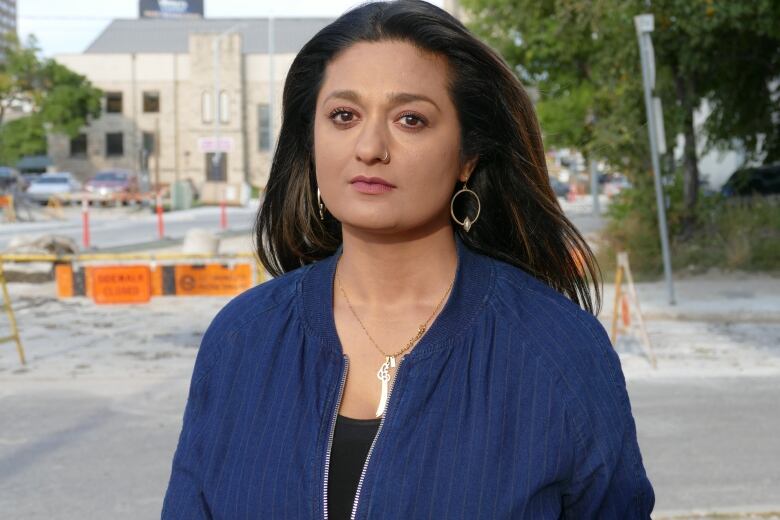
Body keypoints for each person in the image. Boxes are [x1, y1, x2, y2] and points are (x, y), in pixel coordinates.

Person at [161, 1, 655, 518]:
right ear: (310, 141)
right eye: (344, 116)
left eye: (411, 119)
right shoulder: (243, 340)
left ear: (468, 156)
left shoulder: (558, 351)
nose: (370, 147)